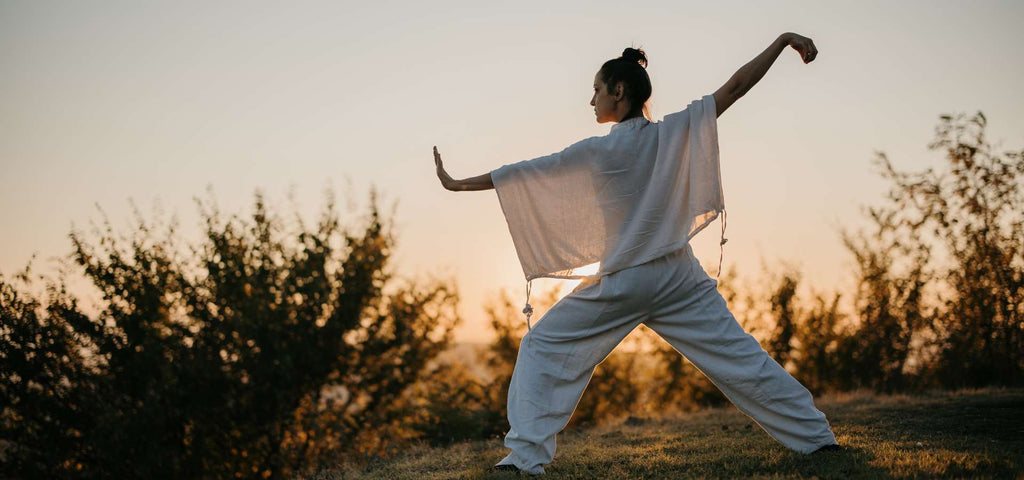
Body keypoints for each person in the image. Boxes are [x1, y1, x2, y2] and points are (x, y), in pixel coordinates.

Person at [432, 32, 839, 476]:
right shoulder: (673, 133)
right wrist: (781, 42)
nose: (591, 100)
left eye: (596, 90)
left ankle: (524, 457)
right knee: (740, 358)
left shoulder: (596, 150)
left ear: (618, 92)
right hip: (679, 277)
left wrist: (457, 183)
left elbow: (523, 176)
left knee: (541, 345)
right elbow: (735, 87)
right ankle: (818, 440)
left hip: (625, 280)